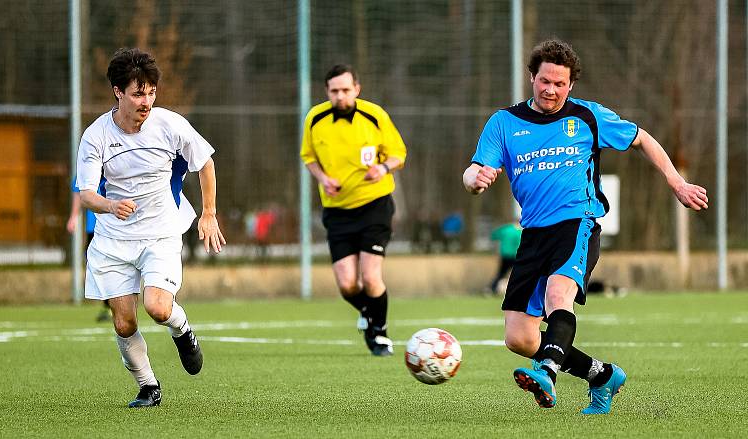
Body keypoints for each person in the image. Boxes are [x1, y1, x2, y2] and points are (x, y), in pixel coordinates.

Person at [462, 40, 708, 415]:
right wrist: (476, 178)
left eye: (560, 84)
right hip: (533, 233)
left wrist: (677, 182)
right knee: (519, 338)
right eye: (544, 81)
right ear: (532, 77)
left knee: (558, 298)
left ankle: (547, 370)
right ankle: (602, 376)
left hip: (577, 222)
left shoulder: (588, 117)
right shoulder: (504, 122)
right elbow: (471, 170)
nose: (551, 90)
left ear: (571, 84)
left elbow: (642, 139)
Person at [76, 48, 226, 408]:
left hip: (160, 233)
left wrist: (209, 213)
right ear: (118, 92)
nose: (146, 101)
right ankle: (148, 386)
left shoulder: (169, 124)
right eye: (137, 93)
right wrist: (110, 205)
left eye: (151, 93)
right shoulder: (96, 136)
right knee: (124, 324)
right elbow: (85, 193)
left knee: (158, 307)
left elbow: (203, 163)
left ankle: (183, 330)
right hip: (114, 239)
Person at [300, 64, 407, 356]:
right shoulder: (315, 118)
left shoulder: (374, 116)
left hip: (375, 205)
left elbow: (399, 153)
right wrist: (323, 178)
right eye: (335, 91)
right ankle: (369, 312)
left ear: (356, 89)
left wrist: (382, 168)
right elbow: (308, 157)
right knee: (347, 284)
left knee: (371, 277)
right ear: (327, 92)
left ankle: (380, 335)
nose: (341, 96)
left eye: (346, 90)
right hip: (337, 211)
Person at [67, 176, 110, 322]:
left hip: (114, 226)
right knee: (97, 266)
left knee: (114, 265)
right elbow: (77, 192)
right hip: (94, 228)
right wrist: (73, 217)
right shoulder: (87, 164)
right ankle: (109, 305)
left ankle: (115, 305)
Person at [488, 220, 522, 294]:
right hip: (515, 256)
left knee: (501, 273)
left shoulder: (505, 229)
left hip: (504, 255)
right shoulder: (518, 232)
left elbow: (493, 235)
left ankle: (491, 288)